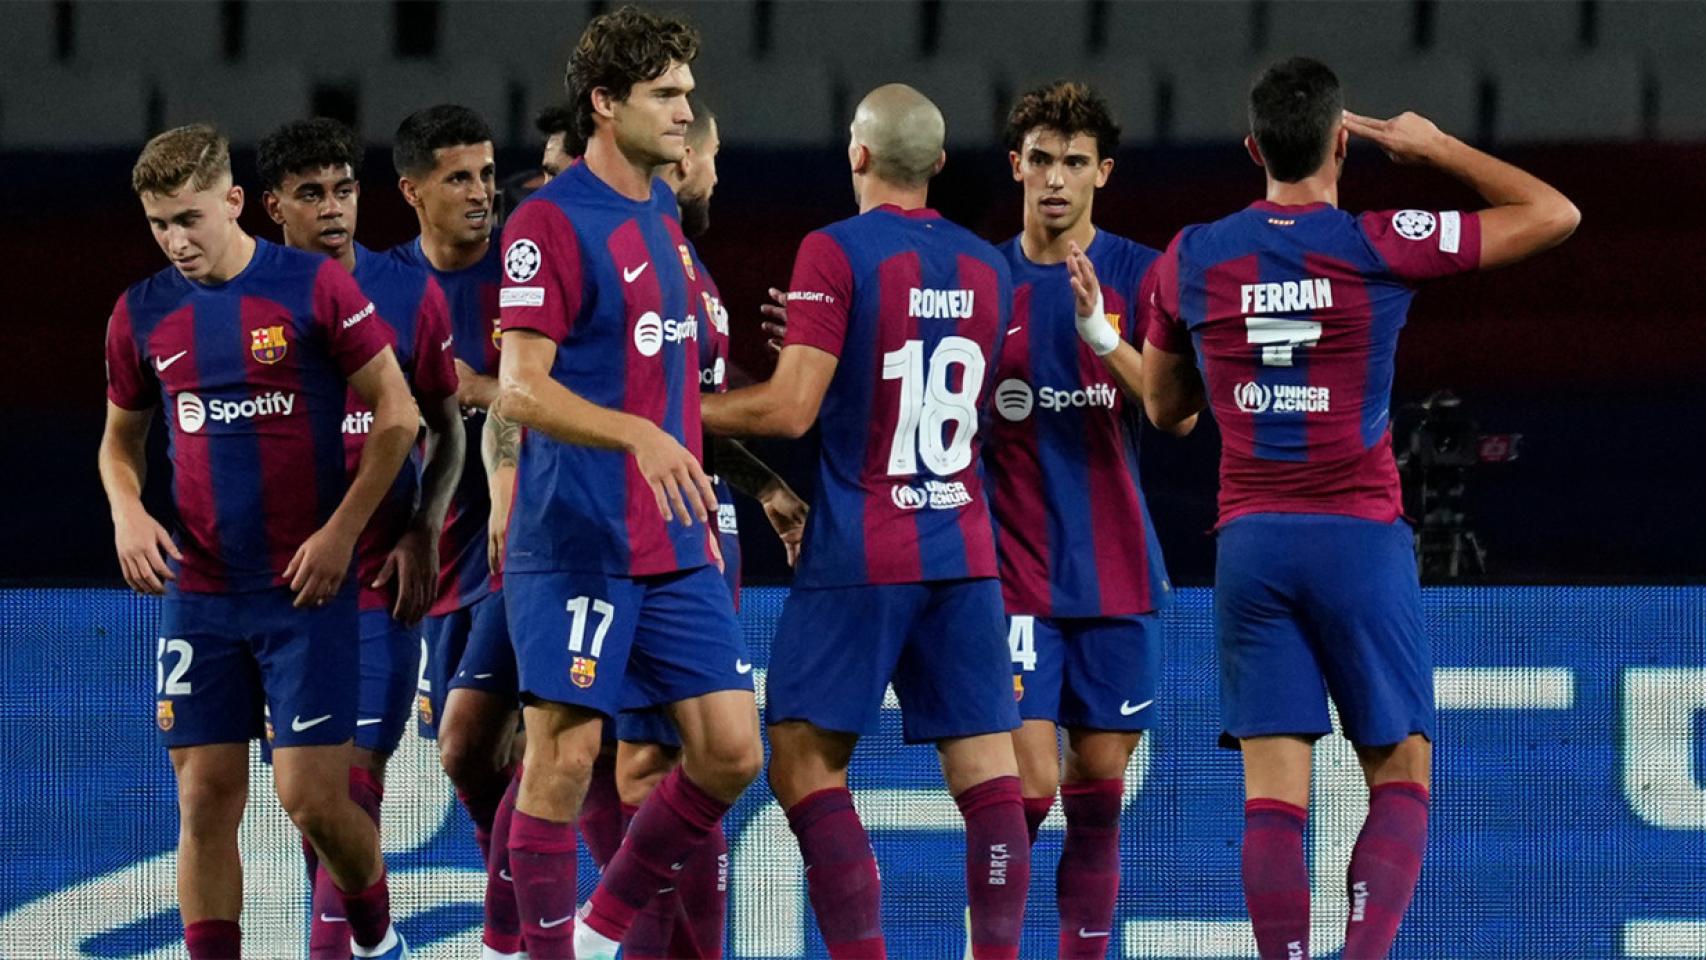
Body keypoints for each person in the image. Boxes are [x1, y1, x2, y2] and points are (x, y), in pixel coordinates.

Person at [1140, 58, 1579, 960]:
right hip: (1359, 540)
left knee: (1273, 793)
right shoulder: (1378, 242)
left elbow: (1165, 412)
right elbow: (1555, 215)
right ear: (1344, 140)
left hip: (1251, 545)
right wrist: (1436, 145)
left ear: (1254, 147)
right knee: (1402, 771)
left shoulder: (1192, 256)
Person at [701, 83, 1029, 960]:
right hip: (962, 540)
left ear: (856, 155)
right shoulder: (990, 266)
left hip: (864, 542)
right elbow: (918, 373)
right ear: (939, 166)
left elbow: (788, 413)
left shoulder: (833, 250)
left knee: (804, 762)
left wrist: (673, 408)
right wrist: (828, 340)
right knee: (988, 774)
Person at [99, 123, 417, 960]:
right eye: (160, 223)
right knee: (203, 800)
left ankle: (378, 932)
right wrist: (127, 511)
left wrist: (342, 533)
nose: (176, 240)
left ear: (234, 202)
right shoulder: (140, 312)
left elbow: (399, 414)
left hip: (304, 593)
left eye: (190, 218)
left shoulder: (311, 288)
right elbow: (119, 441)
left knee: (311, 799)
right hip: (199, 593)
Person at [494, 7, 764, 958]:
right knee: (562, 762)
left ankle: (601, 926)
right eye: (667, 94)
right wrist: (639, 437)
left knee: (732, 751)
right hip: (578, 539)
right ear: (606, 104)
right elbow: (522, 389)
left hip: (675, 543)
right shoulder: (546, 220)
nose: (687, 111)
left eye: (689, 92)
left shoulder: (659, 212)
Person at [984, 80, 1185, 960]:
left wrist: (1104, 334)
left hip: (1117, 573)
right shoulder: (978, 280)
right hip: (1012, 576)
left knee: (1097, 797)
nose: (1055, 179)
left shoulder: (1145, 275)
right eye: (1041, 160)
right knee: (1023, 791)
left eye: (1074, 162)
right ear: (1015, 167)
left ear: (1103, 172)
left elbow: (1176, 414)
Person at [257, 116, 464, 959]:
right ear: (272, 206)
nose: (334, 209)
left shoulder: (411, 293)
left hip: (378, 582)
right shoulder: (242, 299)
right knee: (314, 811)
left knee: (352, 791)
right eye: (311, 195)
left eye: (344, 190)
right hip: (276, 595)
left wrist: (422, 529)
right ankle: (379, 944)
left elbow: (447, 434)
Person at [388, 103, 524, 960]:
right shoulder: (383, 287)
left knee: (468, 736)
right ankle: (525, 900)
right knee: (478, 761)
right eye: (458, 178)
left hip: (527, 544)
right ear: (411, 191)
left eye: (486, 175)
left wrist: (481, 389)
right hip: (434, 555)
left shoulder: (525, 272)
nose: (481, 194)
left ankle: (512, 932)